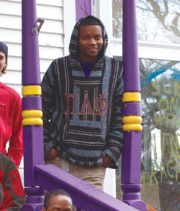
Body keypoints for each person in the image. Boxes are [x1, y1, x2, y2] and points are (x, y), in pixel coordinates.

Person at [41, 15, 124, 190]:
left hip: (94, 165)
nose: (93, 42)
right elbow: (41, 108)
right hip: (59, 159)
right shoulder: (58, 68)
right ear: (76, 40)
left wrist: (111, 153)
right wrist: (47, 147)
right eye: (86, 37)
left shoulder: (116, 70)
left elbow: (121, 115)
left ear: (104, 38)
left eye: (97, 37)